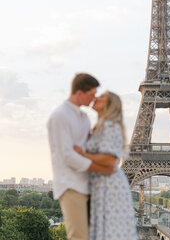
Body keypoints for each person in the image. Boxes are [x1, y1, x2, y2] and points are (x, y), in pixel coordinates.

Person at [47, 73, 114, 240]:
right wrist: (101, 168)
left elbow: (86, 150)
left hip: (86, 184)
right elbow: (67, 155)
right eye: (92, 94)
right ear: (79, 93)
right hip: (70, 185)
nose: (94, 98)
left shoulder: (83, 118)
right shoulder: (60, 116)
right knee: (79, 236)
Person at [74, 91, 137, 240]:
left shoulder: (110, 126)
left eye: (102, 97)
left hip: (110, 186)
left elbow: (110, 159)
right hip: (102, 185)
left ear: (110, 105)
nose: (96, 97)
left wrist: (82, 155)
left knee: (110, 231)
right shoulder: (99, 127)